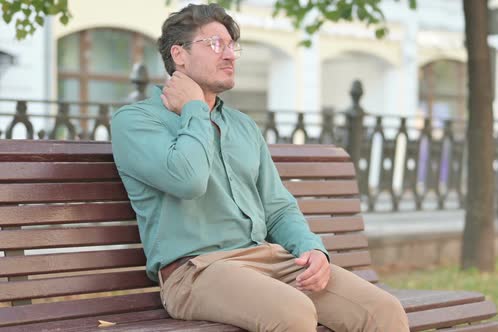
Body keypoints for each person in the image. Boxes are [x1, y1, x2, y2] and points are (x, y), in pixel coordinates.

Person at [111, 3, 409, 331]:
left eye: (231, 46)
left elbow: (277, 208)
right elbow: (188, 178)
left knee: (383, 310)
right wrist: (195, 107)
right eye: (215, 45)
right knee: (292, 311)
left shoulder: (243, 127)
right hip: (196, 272)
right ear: (179, 55)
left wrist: (313, 249)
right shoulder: (136, 121)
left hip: (268, 260)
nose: (230, 55)